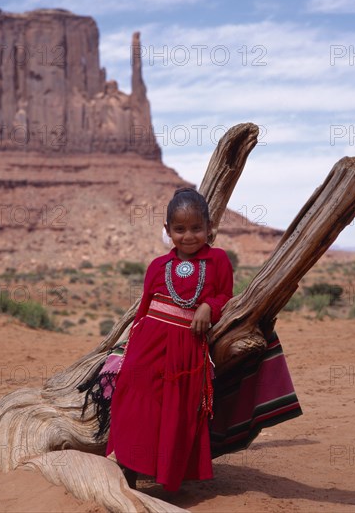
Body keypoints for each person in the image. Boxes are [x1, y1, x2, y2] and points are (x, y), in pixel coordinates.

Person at [105, 187, 234, 492]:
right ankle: (130, 470)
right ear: (167, 230)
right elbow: (142, 313)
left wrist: (209, 306)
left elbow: (225, 295)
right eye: (179, 229)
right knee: (137, 404)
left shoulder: (217, 260)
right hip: (147, 347)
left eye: (196, 228)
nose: (188, 236)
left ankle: (168, 478)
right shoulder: (156, 266)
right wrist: (127, 350)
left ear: (209, 227)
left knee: (177, 411)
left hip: (186, 351)